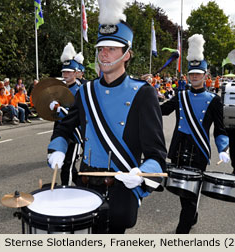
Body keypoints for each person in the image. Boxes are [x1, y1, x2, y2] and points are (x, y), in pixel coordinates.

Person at [47, 0, 166, 234]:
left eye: (112, 48)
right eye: (101, 48)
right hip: (85, 185)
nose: (104, 54)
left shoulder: (143, 93)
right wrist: (57, 149)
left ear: (127, 54)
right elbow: (64, 129)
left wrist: (142, 174)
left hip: (121, 189)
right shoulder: (86, 91)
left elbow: (157, 154)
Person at [160, 34, 230, 234]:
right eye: (192, 74)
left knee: (191, 194)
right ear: (188, 75)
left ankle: (182, 233)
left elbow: (220, 128)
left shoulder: (214, 100)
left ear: (206, 75)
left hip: (198, 151)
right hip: (180, 149)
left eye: (198, 74)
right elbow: (162, 110)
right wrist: (145, 99)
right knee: (183, 192)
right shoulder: (180, 95)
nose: (195, 77)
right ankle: (192, 215)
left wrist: (223, 147)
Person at [49, 42, 82, 186]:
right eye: (64, 72)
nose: (65, 74)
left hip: (74, 133)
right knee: (64, 164)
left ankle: (66, 192)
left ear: (76, 72)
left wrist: (59, 109)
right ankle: (82, 185)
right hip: (60, 130)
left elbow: (77, 114)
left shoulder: (81, 90)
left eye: (69, 72)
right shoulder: (59, 88)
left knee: (67, 165)